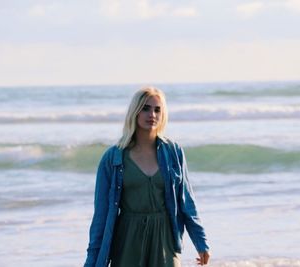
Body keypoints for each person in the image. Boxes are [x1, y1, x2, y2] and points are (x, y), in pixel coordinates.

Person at [84, 86, 210, 267]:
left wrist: (201, 241)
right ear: (135, 111)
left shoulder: (173, 152)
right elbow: (101, 215)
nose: (152, 114)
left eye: (157, 109)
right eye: (145, 108)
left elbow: (187, 202)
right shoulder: (113, 158)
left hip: (165, 239)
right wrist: (92, 260)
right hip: (128, 239)